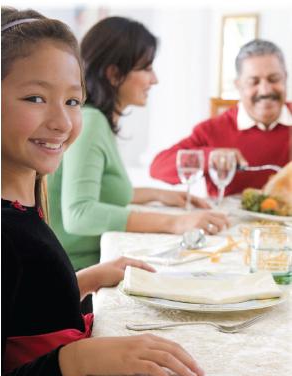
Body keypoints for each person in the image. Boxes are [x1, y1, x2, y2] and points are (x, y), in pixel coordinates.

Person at [1, 7, 205, 376]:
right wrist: (76, 360)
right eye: (34, 98)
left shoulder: (24, 208)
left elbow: (22, 311)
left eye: (72, 101)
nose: (62, 122)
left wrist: (86, 279)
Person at [47, 16, 229, 276]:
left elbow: (99, 191)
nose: (154, 80)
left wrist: (158, 194)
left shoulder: (97, 120)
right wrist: (175, 222)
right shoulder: (91, 123)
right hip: (76, 273)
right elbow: (80, 213)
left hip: (92, 261)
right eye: (146, 68)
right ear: (114, 74)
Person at [150, 39, 292, 197]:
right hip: (230, 221)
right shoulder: (212, 130)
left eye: (274, 79)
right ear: (239, 85)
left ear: (285, 78)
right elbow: (158, 168)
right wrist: (209, 156)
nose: (265, 90)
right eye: (254, 82)